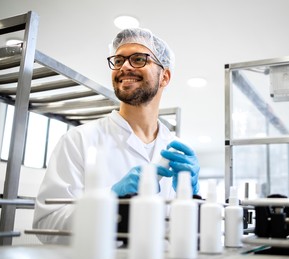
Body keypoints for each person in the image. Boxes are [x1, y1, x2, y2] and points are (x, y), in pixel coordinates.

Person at [32, 28, 200, 245]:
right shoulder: (79, 140)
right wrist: (109, 199)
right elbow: (46, 226)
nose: (125, 67)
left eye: (139, 59)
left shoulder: (176, 150)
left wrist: (192, 198)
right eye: (118, 60)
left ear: (164, 77)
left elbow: (183, 237)